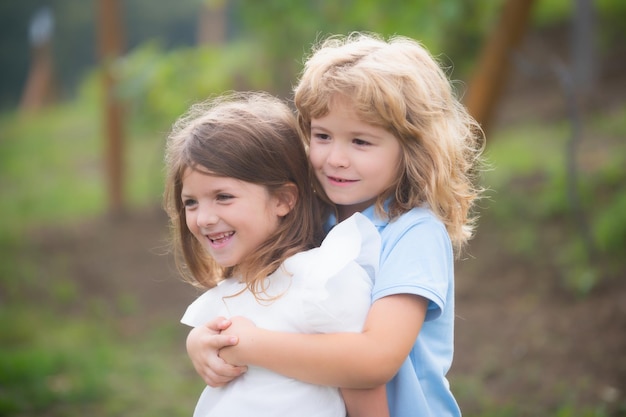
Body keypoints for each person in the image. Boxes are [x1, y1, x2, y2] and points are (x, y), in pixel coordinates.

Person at [186, 32, 486, 417]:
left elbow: (374, 360)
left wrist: (249, 345)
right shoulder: (309, 214)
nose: (336, 159)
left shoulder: (413, 232)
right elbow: (255, 295)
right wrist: (203, 340)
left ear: (413, 148)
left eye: (360, 142)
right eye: (322, 136)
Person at [163, 91, 387, 417]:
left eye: (223, 196)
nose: (203, 218)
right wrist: (197, 342)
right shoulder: (233, 290)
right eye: (191, 202)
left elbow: (361, 383)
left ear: (283, 200)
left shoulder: (320, 281)